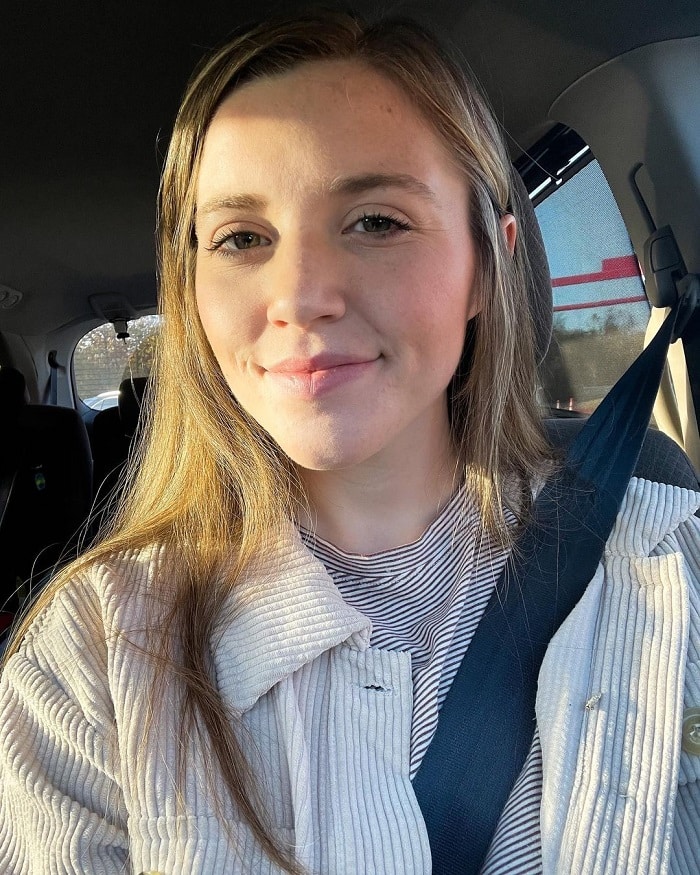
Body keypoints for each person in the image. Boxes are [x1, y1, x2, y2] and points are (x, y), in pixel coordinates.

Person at [0, 11, 698, 875]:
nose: (297, 295)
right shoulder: (89, 656)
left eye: (376, 221)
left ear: (488, 263)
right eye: (241, 238)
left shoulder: (672, 565)